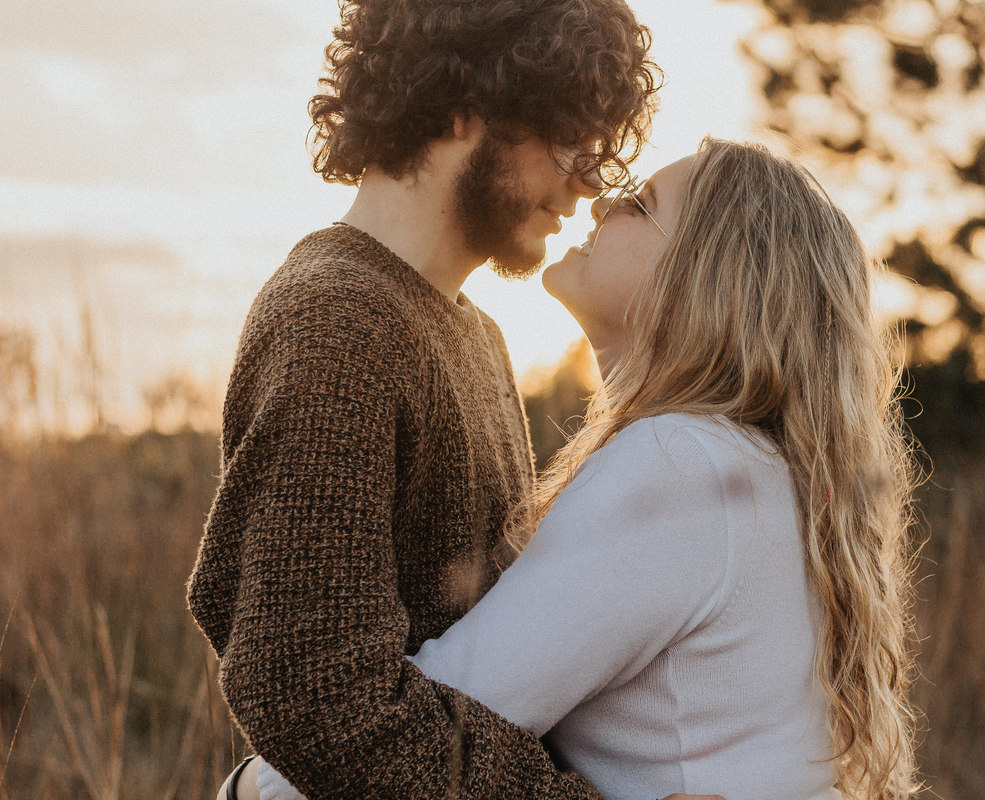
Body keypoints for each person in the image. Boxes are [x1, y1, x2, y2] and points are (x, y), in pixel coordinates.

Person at [254, 138, 921, 800]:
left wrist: (249, 789)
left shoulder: (680, 464)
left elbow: (412, 733)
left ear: (707, 277)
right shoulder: (752, 467)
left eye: (640, 203)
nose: (601, 203)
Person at [184, 1, 727, 799]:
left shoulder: (474, 334)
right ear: (466, 103)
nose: (588, 181)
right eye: (569, 135)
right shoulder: (336, 321)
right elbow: (313, 693)